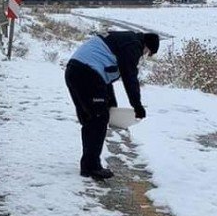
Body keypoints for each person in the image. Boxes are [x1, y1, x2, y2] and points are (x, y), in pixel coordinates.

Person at [64, 30, 160, 180]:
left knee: (91, 119)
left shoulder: (123, 39)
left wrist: (111, 102)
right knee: (98, 119)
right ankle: (91, 167)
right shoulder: (133, 45)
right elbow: (130, 77)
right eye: (148, 52)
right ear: (147, 45)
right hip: (87, 74)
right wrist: (137, 106)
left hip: (74, 71)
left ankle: (88, 165)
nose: (145, 55)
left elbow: (104, 75)